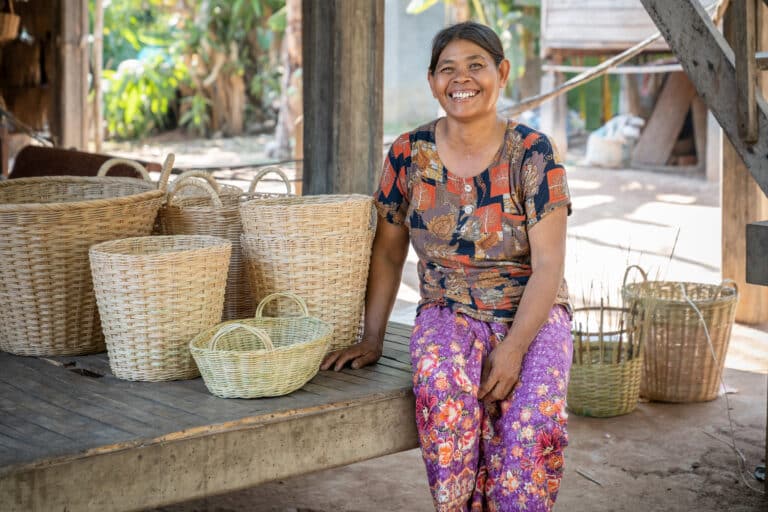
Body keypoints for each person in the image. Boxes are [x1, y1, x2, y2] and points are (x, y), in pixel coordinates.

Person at [322, 21, 573, 512]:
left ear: (501, 72)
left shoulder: (534, 154)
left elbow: (549, 264)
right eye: (448, 69)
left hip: (533, 313)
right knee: (445, 404)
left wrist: (515, 348)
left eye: (476, 65)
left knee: (533, 426)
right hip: (447, 311)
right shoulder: (408, 154)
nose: (462, 79)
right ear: (433, 82)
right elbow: (390, 251)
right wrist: (372, 338)